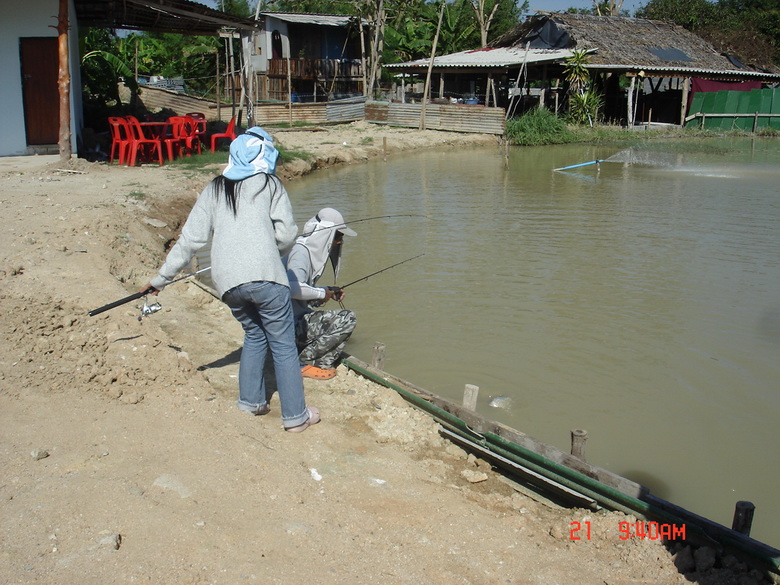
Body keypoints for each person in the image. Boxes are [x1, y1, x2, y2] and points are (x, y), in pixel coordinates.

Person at [140, 127, 319, 433]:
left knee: (254, 335)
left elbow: (190, 240)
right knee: (284, 345)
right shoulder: (269, 184)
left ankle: (250, 403)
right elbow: (288, 234)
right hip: (266, 278)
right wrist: (270, 252)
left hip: (227, 284)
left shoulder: (214, 187)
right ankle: (295, 417)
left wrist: (161, 279)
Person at [285, 208, 358, 380]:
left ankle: (308, 354)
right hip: (286, 328)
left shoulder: (304, 250)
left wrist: (328, 292)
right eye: (338, 236)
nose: (340, 242)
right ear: (326, 234)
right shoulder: (300, 253)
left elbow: (301, 296)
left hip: (290, 321)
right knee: (348, 318)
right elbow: (291, 288)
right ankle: (306, 360)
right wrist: (320, 293)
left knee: (324, 316)